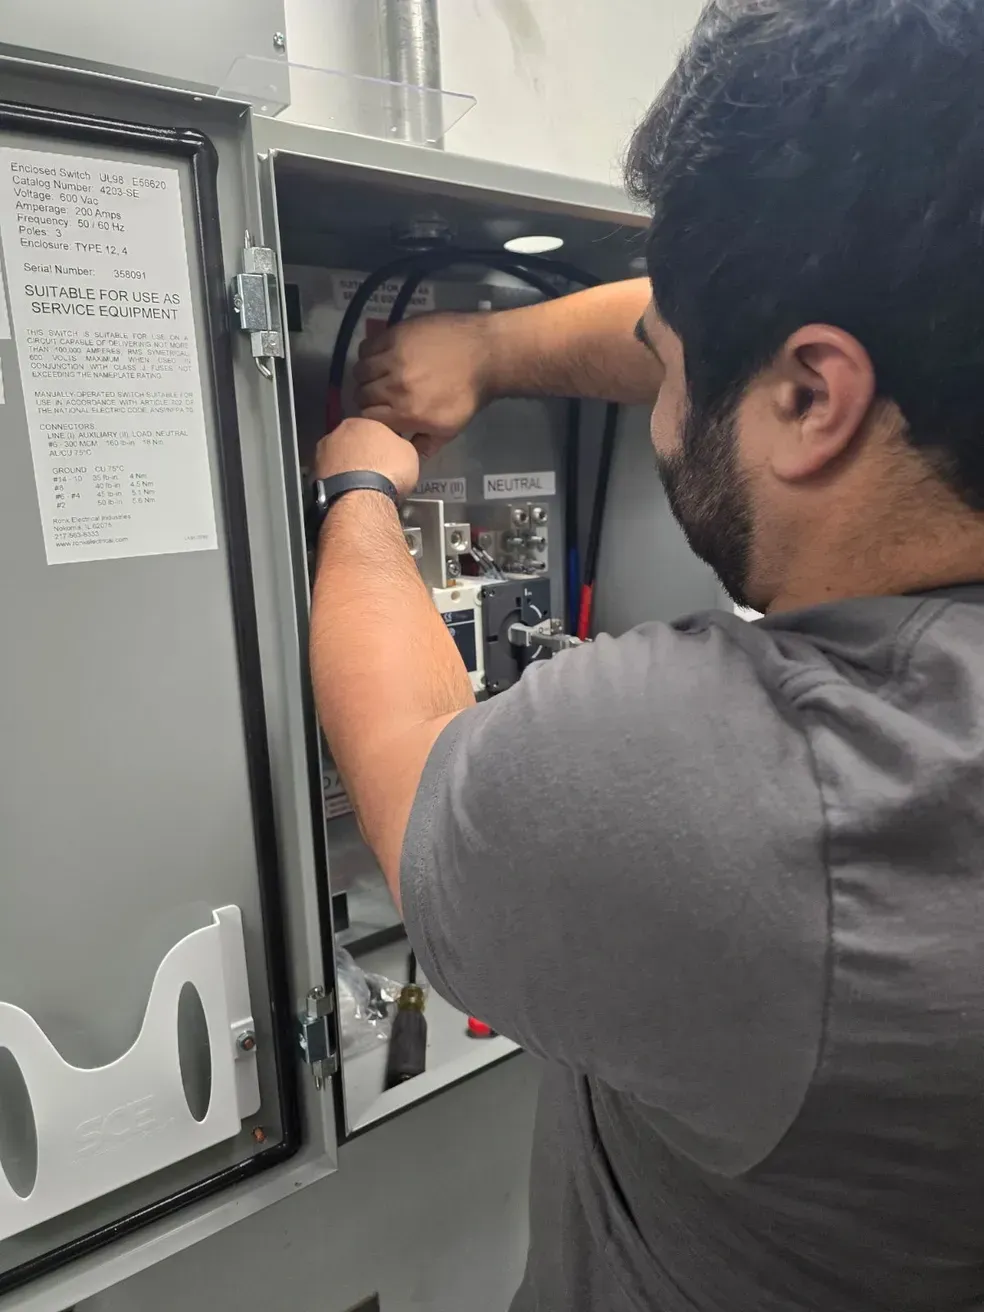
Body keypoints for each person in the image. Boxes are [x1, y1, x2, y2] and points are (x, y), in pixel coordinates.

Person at [308, 1, 984, 1307]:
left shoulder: (751, 791)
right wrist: (491, 348)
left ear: (809, 397)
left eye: (667, 367)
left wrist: (360, 488)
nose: (659, 403)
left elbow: (408, 761)